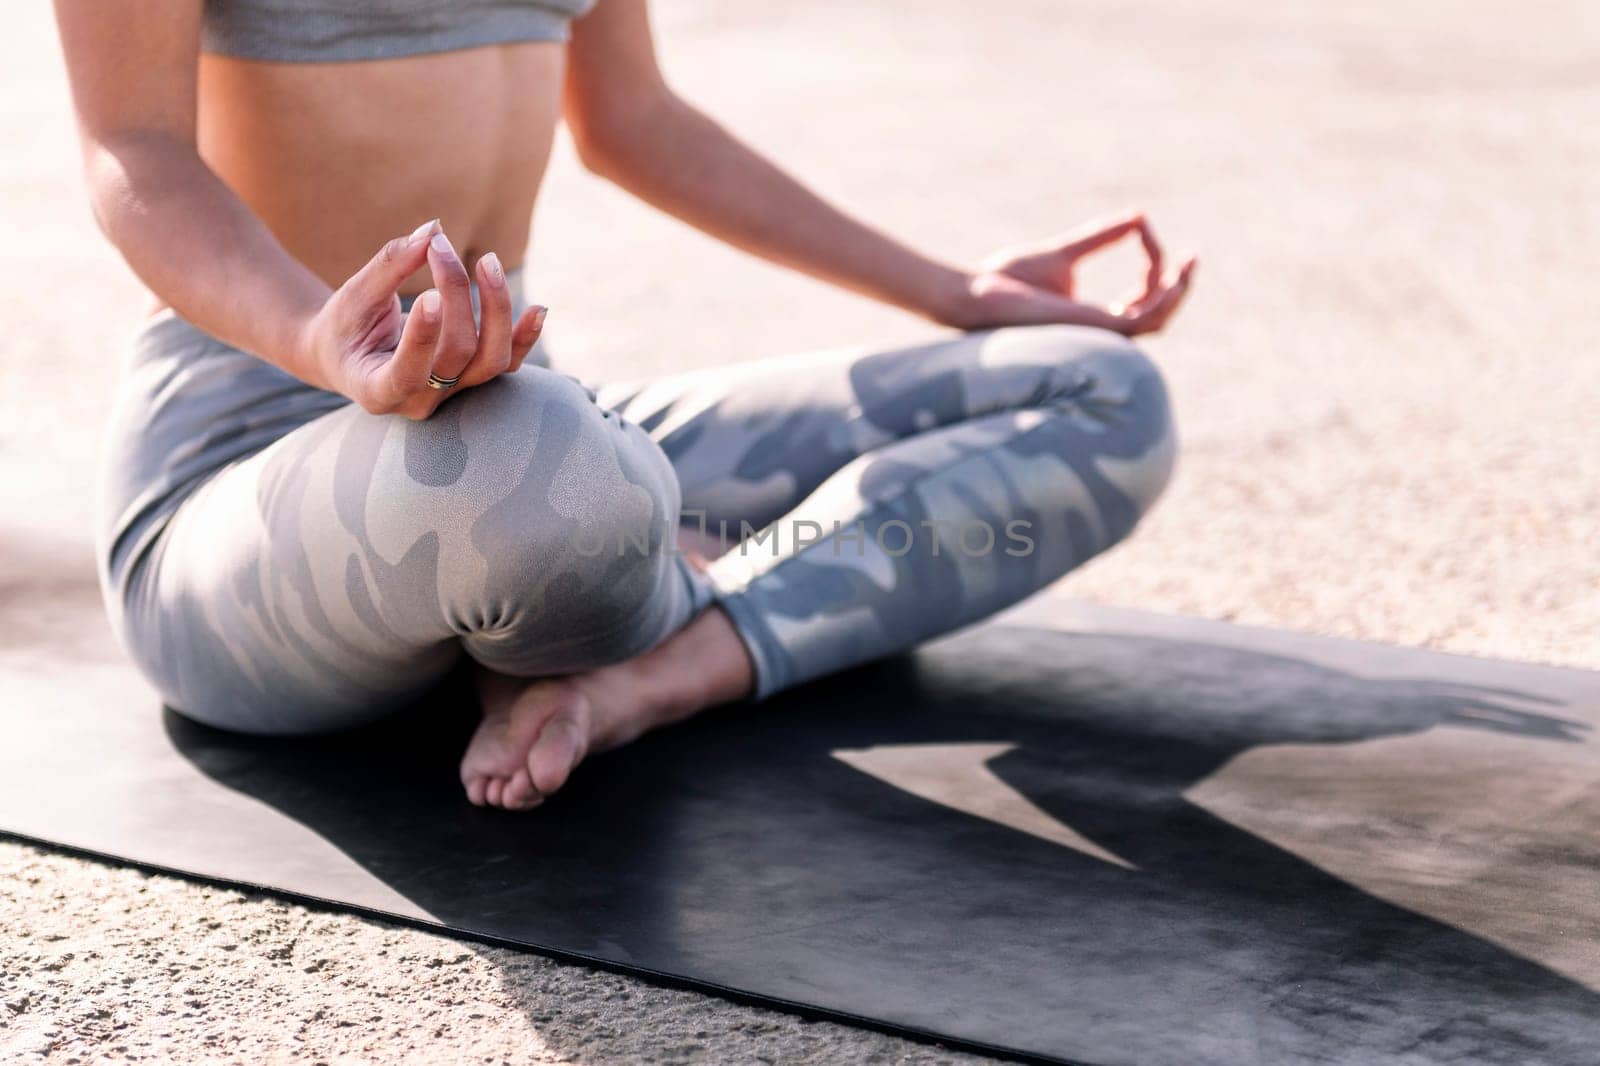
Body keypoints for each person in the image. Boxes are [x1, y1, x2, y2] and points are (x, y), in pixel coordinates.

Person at [55, 0, 1195, 811]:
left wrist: (953, 291)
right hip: (260, 477)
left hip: (507, 424)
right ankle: (645, 565)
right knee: (542, 468)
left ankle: (644, 669)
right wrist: (326, 338)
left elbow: (634, 118)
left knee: (1100, 390)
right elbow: (132, 149)